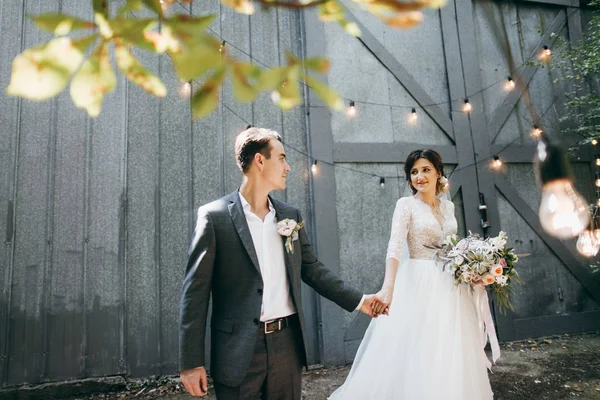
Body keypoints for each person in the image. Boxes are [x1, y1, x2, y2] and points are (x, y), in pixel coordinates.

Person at [179, 127, 382, 399]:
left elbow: (312, 269)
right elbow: (195, 293)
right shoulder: (214, 217)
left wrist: (359, 301)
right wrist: (191, 362)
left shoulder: (289, 215)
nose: (287, 167)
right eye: (282, 158)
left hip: (286, 345)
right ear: (260, 161)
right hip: (237, 351)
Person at [329, 149, 494, 399]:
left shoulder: (448, 207)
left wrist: (471, 268)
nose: (420, 176)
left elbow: (453, 245)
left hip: (450, 284)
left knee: (448, 344)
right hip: (417, 280)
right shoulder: (406, 205)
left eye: (426, 170)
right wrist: (388, 287)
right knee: (419, 346)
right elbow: (395, 245)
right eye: (414, 172)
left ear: (438, 173)